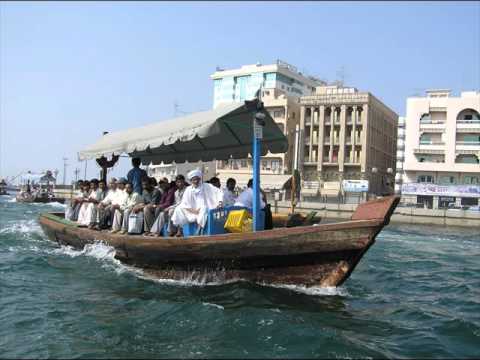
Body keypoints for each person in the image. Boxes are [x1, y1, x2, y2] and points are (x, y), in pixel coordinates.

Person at [171, 169, 223, 236]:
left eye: (197, 179)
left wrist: (220, 202)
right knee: (178, 208)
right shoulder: (188, 189)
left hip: (206, 209)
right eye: (194, 180)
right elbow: (184, 204)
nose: (196, 181)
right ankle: (180, 230)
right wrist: (194, 211)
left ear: (199, 179)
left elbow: (219, 192)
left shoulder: (206, 186)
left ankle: (198, 230)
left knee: (203, 208)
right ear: (191, 180)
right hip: (192, 211)